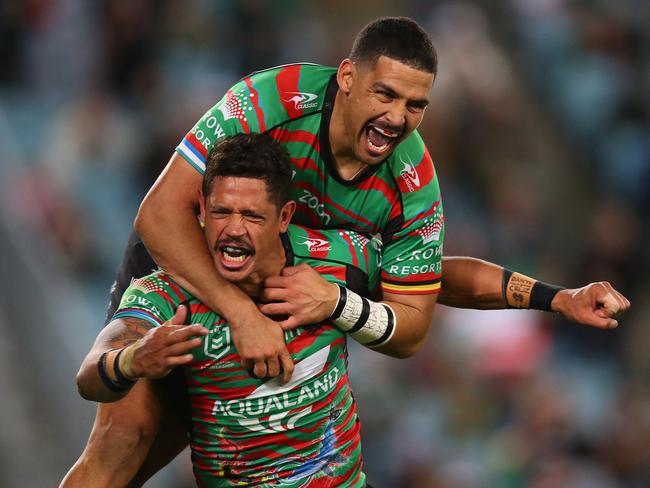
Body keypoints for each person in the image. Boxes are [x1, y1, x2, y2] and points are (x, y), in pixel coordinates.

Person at [61, 16, 630, 487]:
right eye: (385, 93)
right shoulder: (270, 102)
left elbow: (416, 307)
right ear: (349, 77)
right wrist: (237, 315)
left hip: (296, 286)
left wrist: (554, 299)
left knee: (169, 447)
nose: (396, 118)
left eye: (415, 105)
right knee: (125, 442)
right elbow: (161, 215)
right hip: (187, 266)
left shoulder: (409, 185)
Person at [76, 133, 383, 486]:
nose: (234, 230)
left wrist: (338, 301)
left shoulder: (340, 259)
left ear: (284, 217)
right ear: (202, 209)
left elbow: (427, 278)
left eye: (252, 216)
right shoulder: (166, 293)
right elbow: (89, 376)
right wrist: (132, 360)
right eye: (222, 212)